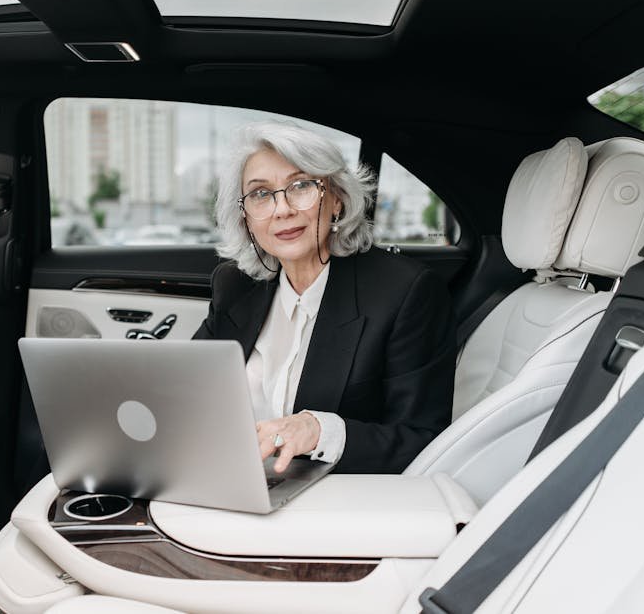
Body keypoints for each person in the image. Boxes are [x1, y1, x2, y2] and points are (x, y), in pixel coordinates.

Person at [194, 121, 455, 475]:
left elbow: (423, 440)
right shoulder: (235, 284)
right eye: (260, 194)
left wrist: (322, 432)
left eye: (300, 186)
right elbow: (189, 389)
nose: (281, 209)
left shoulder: (404, 292)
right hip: (228, 476)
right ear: (246, 219)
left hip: (332, 498)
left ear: (336, 199)